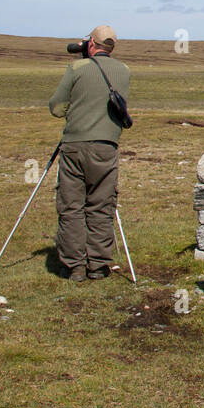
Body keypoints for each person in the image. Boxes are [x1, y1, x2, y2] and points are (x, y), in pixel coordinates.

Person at [49, 24, 131, 282]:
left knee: (72, 206)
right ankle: (98, 265)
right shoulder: (124, 71)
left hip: (75, 146)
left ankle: (75, 266)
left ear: (91, 44)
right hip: (107, 147)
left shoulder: (77, 68)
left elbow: (57, 107)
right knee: (101, 205)